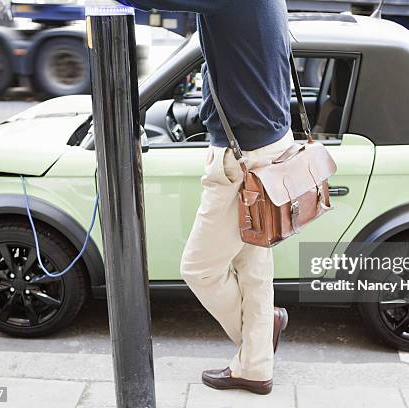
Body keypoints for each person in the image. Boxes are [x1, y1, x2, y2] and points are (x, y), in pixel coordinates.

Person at [118, 0, 292, 395]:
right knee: (253, 266)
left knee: (199, 269)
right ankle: (255, 367)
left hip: (242, 157)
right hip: (269, 146)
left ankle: (259, 342)